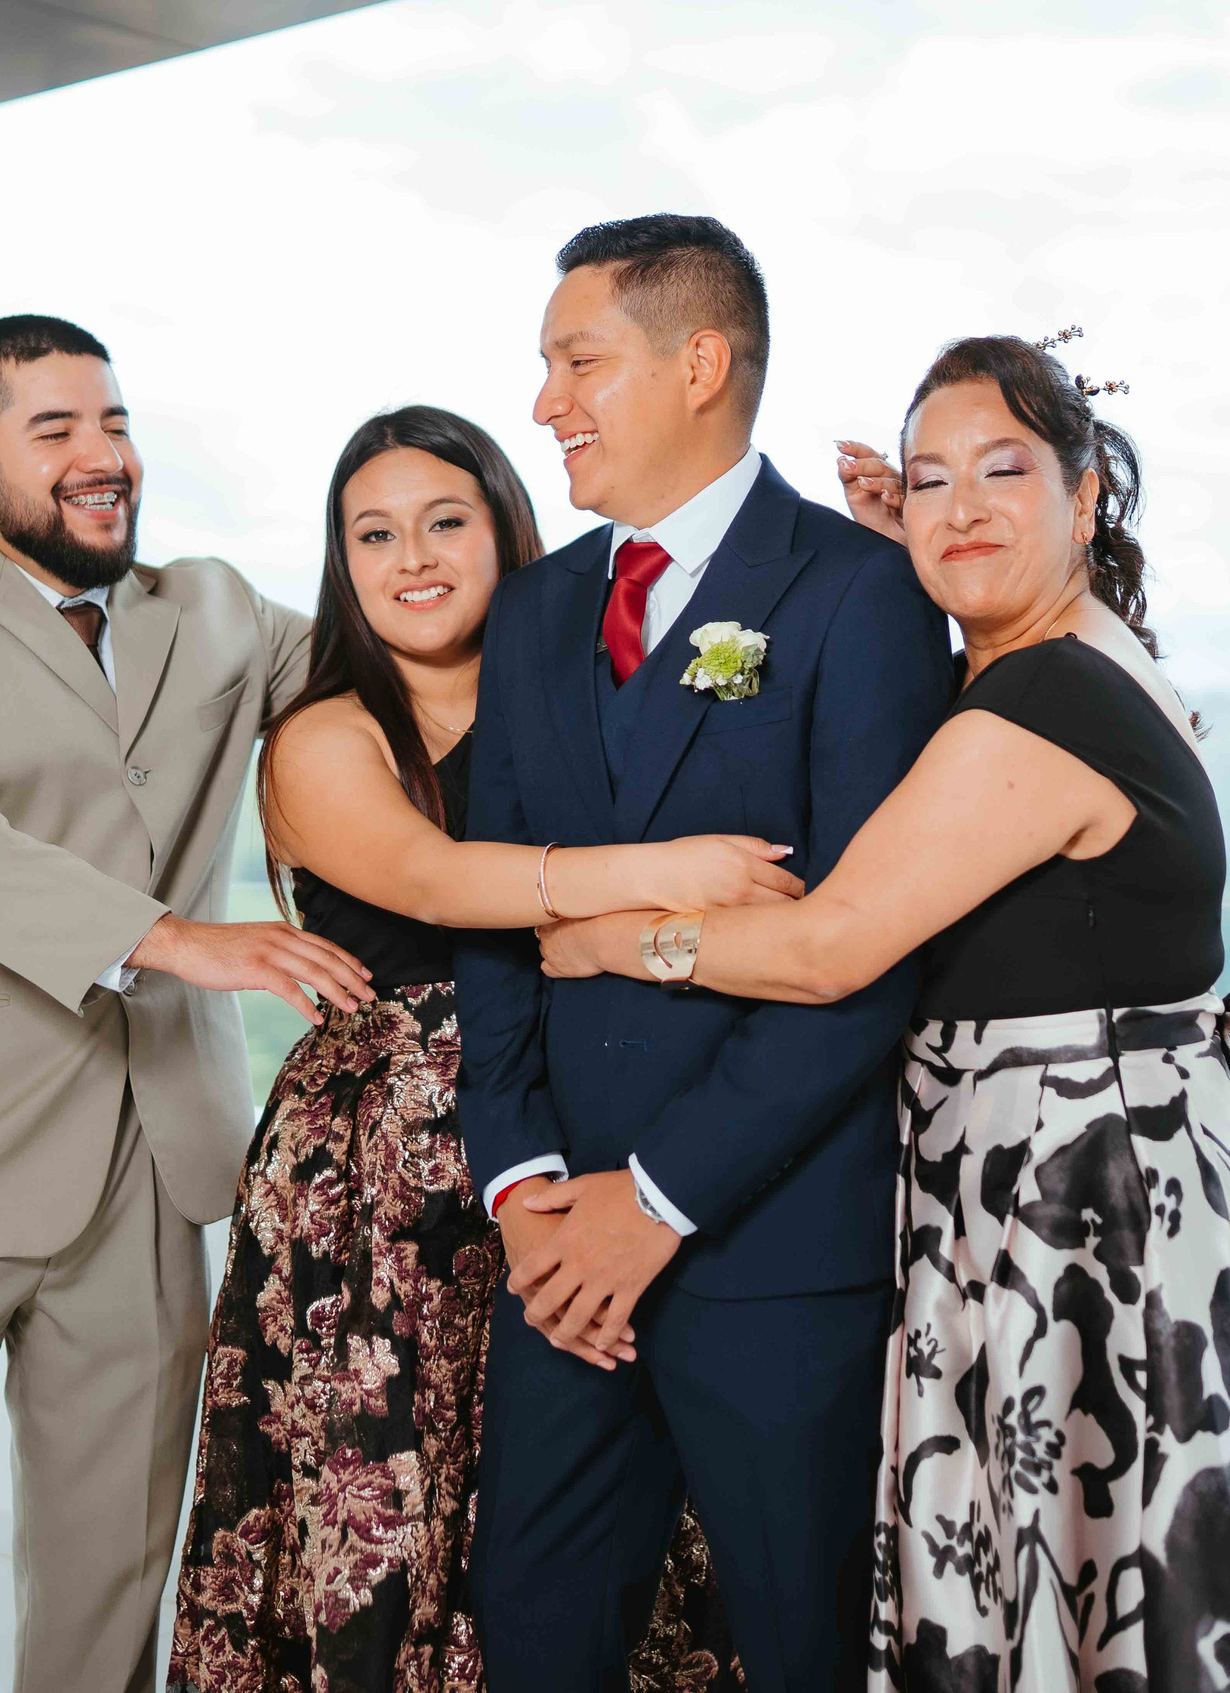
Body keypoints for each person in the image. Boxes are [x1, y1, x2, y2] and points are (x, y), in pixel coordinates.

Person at [539, 334, 1230, 1692]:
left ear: (1088, 497)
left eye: (1004, 472)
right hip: (1123, 1181)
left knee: (1105, 1575)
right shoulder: (1090, 654)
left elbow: (833, 946)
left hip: (1080, 1212)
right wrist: (934, 556)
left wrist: (623, 934)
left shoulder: (1041, 704)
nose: (959, 505)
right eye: (928, 478)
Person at [0, 315, 374, 1693]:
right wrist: (180, 938)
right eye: (55, 431)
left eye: (112, 422)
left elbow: (408, 649)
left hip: (151, 1168)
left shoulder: (216, 608)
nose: (103, 456)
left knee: (111, 1570)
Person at [168, 405, 794, 1690]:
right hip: (376, 1200)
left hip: (574, 1147)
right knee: (386, 1510)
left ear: (509, 530)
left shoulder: (587, 695)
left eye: (445, 521)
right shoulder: (326, 734)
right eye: (374, 534)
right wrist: (660, 871)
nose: (413, 557)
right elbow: (439, 880)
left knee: (577, 1537)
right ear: (341, 565)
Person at [455, 216, 954, 1691]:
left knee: (801, 1646)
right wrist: (526, 1181)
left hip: (766, 1244)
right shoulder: (540, 607)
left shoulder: (860, 594)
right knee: (533, 1617)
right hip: (559, 1259)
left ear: (699, 361)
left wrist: (658, 1200)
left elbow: (866, 953)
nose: (546, 403)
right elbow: (498, 908)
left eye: (577, 361)